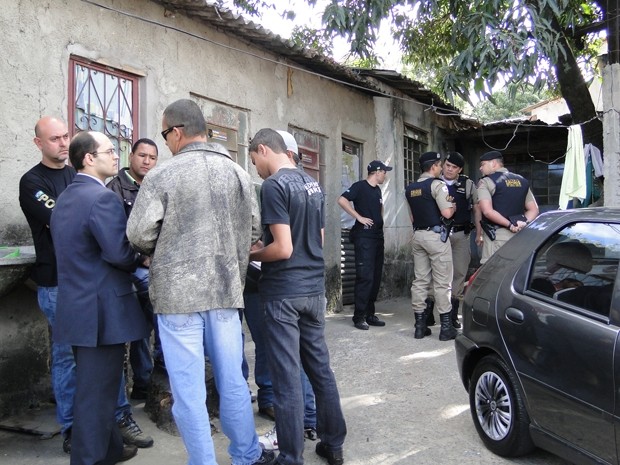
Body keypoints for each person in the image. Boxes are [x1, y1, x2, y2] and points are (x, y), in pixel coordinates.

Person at [126, 99, 273, 465]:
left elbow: (138, 233)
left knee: (188, 390)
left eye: (165, 136)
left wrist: (164, 249)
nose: (165, 145)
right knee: (234, 381)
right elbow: (254, 230)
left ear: (176, 132)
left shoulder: (162, 175)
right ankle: (247, 455)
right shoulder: (238, 173)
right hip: (225, 291)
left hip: (178, 297)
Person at [19, 117, 153, 454]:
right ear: (89, 158)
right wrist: (143, 255)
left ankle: (108, 448)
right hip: (100, 310)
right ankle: (88, 457)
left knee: (99, 387)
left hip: (79, 306)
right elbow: (119, 255)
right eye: (109, 151)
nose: (115, 157)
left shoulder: (68, 195)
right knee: (96, 392)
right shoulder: (101, 198)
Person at [249, 128, 346, 465]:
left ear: (263, 150)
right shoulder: (311, 183)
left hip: (283, 293)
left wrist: (251, 254)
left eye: (254, 160)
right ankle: (333, 444)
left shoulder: (274, 186)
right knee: (320, 369)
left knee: (287, 377)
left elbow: (283, 248)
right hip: (313, 289)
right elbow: (317, 237)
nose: (256, 169)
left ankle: (291, 456)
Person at [106, 137, 164, 399]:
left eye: (152, 157)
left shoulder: (160, 184)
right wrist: (142, 258)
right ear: (131, 156)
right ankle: (144, 381)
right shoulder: (115, 188)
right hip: (132, 266)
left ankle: (153, 378)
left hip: (161, 264)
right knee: (153, 318)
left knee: (150, 322)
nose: (147, 161)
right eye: (142, 156)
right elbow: (115, 235)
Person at [405, 151, 457, 341]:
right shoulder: (437, 185)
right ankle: (445, 329)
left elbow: (412, 216)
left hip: (418, 236)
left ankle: (420, 326)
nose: (443, 168)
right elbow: (447, 213)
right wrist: (453, 207)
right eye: (440, 164)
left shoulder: (410, 188)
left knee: (420, 280)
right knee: (443, 282)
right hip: (436, 237)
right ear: (434, 166)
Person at [337, 160, 392, 330]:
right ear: (377, 172)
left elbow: (380, 209)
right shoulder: (359, 186)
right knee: (365, 276)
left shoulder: (377, 190)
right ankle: (359, 316)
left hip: (377, 237)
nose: (385, 174)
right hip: (364, 238)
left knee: (375, 277)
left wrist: (380, 220)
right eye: (384, 172)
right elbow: (342, 200)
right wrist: (358, 217)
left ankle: (370, 313)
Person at [439, 151, 481, 328]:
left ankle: (453, 314)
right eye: (447, 165)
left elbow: (477, 209)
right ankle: (429, 312)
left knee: (459, 273)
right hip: (438, 234)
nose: (449, 169)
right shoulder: (434, 182)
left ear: (460, 169)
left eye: (453, 167)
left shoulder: (468, 184)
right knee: (438, 273)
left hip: (461, 234)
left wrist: (479, 232)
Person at [477, 150, 539, 264]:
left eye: (483, 164)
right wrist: (524, 223)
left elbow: (487, 211)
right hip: (520, 237)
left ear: (494, 163)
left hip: (497, 237)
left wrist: (510, 225)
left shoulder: (486, 182)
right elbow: (533, 209)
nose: (480, 168)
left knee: (493, 275)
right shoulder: (521, 180)